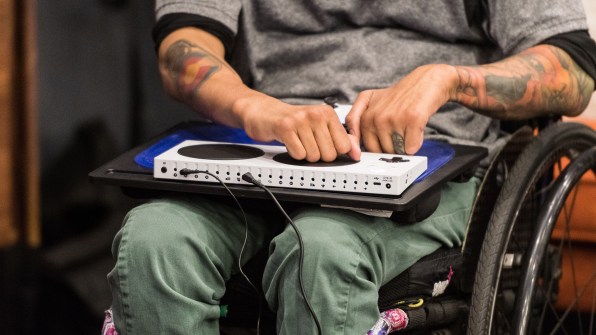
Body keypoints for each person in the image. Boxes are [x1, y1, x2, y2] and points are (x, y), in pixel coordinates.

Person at [106, 0, 596, 334]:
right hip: (266, 145)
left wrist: (447, 81)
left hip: (433, 158)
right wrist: (250, 107)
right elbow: (181, 51)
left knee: (324, 251)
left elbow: (572, 70)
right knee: (154, 241)